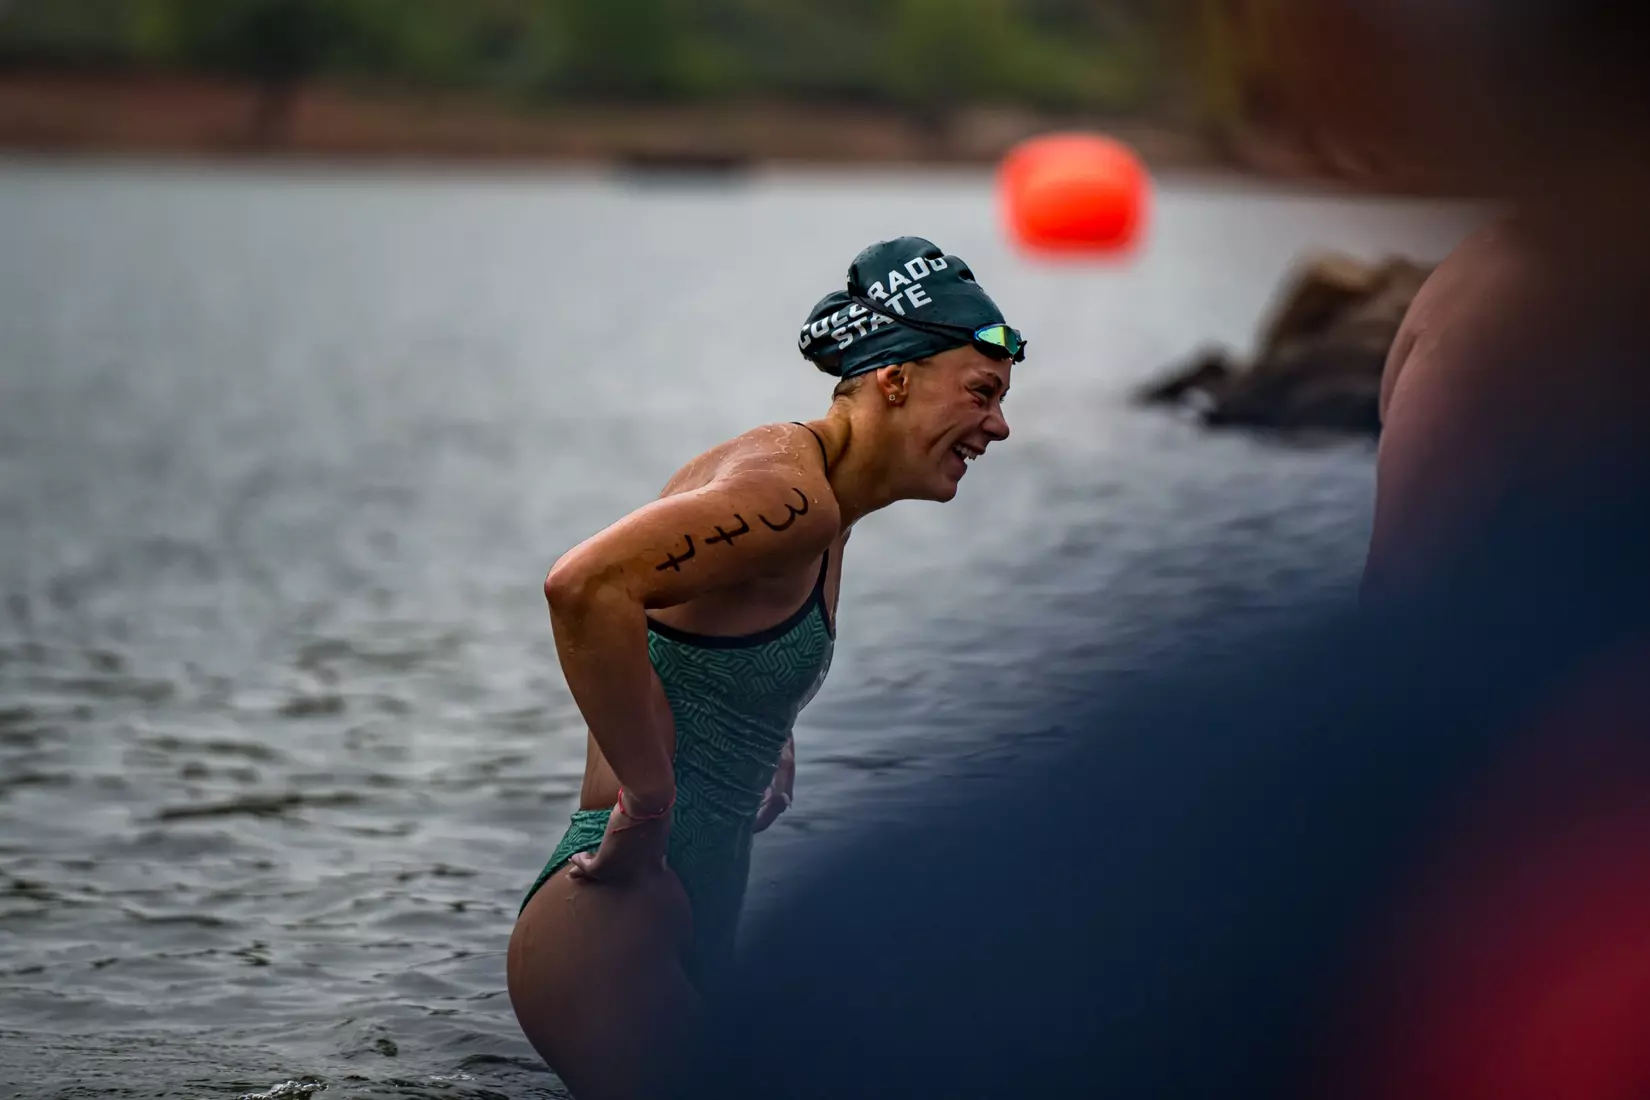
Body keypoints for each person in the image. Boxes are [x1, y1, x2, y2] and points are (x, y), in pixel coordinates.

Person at [505, 236, 1025, 1099]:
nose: (999, 426)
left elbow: (682, 635)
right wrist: (651, 795)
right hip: (616, 917)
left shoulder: (814, 499)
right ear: (895, 380)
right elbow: (584, 587)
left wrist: (766, 725)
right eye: (982, 392)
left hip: (678, 907)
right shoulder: (790, 500)